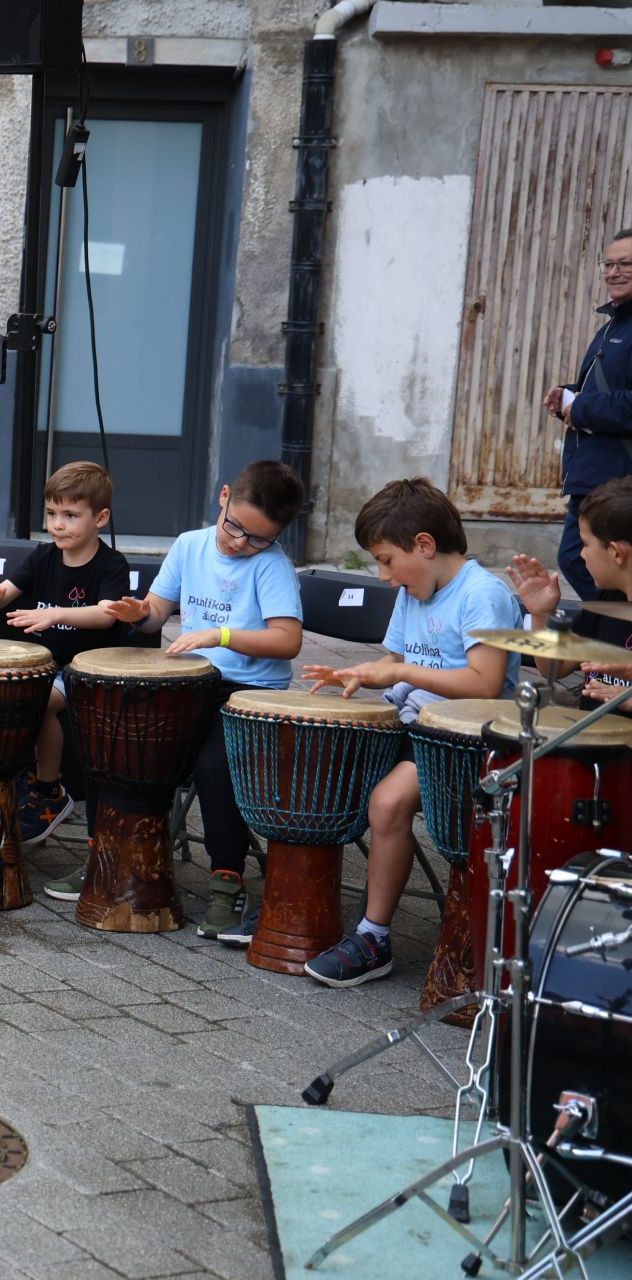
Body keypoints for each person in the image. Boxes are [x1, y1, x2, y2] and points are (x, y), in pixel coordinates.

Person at [301, 478, 520, 988]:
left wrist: (398, 674)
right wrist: (360, 672)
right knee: (318, 763)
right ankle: (301, 909)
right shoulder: (412, 590)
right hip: (417, 724)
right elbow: (397, 659)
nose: (383, 575)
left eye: (385, 560)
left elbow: (484, 683)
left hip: (469, 740)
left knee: (388, 801)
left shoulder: (483, 594)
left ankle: (374, 937)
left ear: (424, 545)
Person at [99, 460, 306, 943]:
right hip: (191, 681)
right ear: (224, 497)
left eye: (258, 538)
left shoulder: (271, 565)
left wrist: (224, 634)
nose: (240, 543)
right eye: (235, 528)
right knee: (127, 737)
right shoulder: (190, 545)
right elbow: (155, 616)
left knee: (215, 764)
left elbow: (287, 641)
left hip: (248, 693)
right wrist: (138, 613)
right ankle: (115, 858)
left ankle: (227, 880)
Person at [0, 461, 129, 864]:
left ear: (101, 518)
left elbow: (107, 613)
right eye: (52, 514)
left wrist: (55, 614)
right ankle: (18, 781)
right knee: (8, 697)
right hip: (44, 667)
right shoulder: (43, 557)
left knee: (35, 703)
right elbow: (6, 593)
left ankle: (49, 791)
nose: (58, 524)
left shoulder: (111, 565)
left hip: (86, 672)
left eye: (70, 515)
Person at [541, 229, 632, 600]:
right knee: (591, 561)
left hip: (615, 473)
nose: (613, 272)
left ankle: (617, 639)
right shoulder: (612, 324)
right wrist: (568, 394)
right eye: (608, 264)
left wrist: (578, 406)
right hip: (595, 471)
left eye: (625, 263)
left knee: (585, 560)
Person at [506, 473, 632, 713]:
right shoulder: (607, 601)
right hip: (590, 743)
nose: (581, 555)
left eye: (585, 544)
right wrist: (542, 615)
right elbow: (556, 667)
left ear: (616, 552)